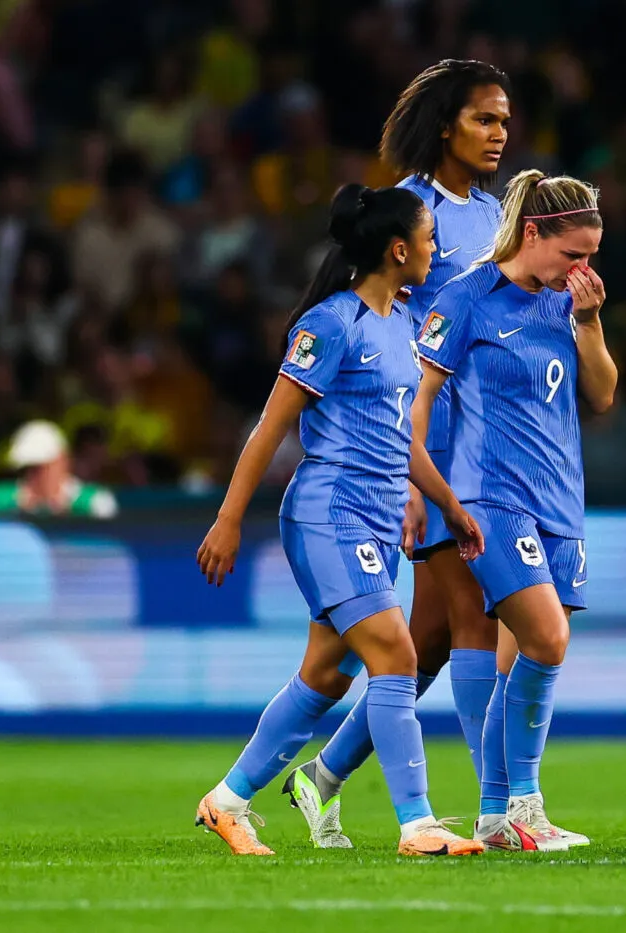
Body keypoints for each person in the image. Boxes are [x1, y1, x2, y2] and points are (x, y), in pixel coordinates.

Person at [193, 183, 487, 857]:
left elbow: (400, 437)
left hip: (381, 520)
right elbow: (272, 425)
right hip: (330, 513)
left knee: (327, 675)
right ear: (396, 248)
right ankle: (418, 823)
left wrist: (446, 503)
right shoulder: (329, 324)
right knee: (398, 655)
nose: (435, 248)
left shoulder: (403, 321)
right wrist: (229, 518)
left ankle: (227, 800)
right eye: (428, 236)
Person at [283, 59, 511, 849]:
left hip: (493, 446)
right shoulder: (412, 211)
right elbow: (397, 338)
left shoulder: (496, 214)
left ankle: (321, 776)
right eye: (485, 119)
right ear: (447, 124)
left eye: (506, 121)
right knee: (472, 618)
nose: (499, 134)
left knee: (429, 643)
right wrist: (411, 472)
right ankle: (503, 809)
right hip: (428, 449)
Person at [414, 169, 616, 851]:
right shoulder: (467, 296)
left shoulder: (568, 304)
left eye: (590, 257)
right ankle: (523, 803)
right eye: (571, 255)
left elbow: (604, 392)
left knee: (517, 662)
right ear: (534, 232)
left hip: (560, 499)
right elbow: (421, 398)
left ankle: (496, 813)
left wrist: (589, 322)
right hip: (489, 498)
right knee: (548, 639)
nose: (580, 269)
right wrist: (418, 486)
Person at [0, 420, 118, 519]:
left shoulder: (95, 501)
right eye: (29, 469)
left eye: (41, 468)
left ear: (62, 461)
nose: (35, 476)